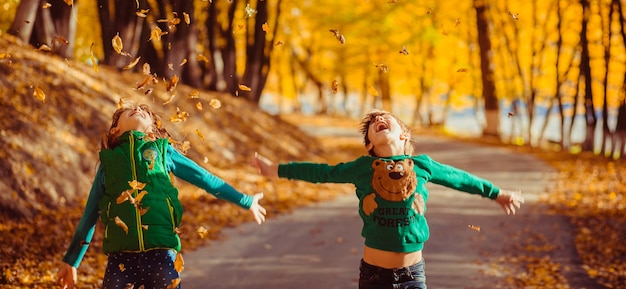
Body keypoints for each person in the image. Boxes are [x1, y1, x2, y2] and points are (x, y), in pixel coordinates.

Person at [252, 109, 524, 289]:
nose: (378, 119)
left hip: (413, 276)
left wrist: (496, 193)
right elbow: (321, 172)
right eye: (372, 123)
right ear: (369, 144)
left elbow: (459, 178)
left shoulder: (422, 165)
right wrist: (276, 169)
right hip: (373, 276)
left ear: (403, 134)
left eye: (385, 118)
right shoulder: (362, 168)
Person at [57, 102, 266, 289]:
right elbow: (90, 215)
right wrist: (72, 260)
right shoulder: (109, 164)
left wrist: (244, 200)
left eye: (144, 112)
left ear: (152, 130)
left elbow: (205, 179)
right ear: (115, 130)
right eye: (129, 110)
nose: (137, 108)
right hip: (120, 261)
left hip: (162, 255)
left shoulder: (163, 151)